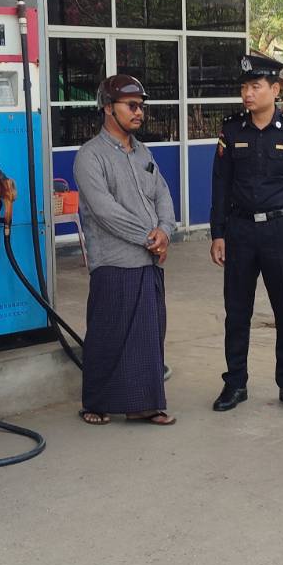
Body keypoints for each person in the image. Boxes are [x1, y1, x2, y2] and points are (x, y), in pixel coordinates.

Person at [209, 53, 283, 413]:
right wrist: (218, 233)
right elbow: (220, 184)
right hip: (240, 230)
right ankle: (235, 383)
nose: (247, 93)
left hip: (281, 231)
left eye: (255, 86)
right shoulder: (232, 130)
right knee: (236, 311)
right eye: (244, 87)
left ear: (275, 90)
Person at [72, 74, 177, 426]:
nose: (139, 113)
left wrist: (166, 231)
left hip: (149, 261)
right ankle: (96, 403)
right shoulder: (90, 156)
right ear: (108, 108)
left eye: (141, 107)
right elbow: (105, 211)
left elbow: (162, 194)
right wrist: (149, 237)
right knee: (109, 336)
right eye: (131, 106)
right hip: (113, 262)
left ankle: (145, 405)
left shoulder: (143, 152)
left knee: (148, 336)